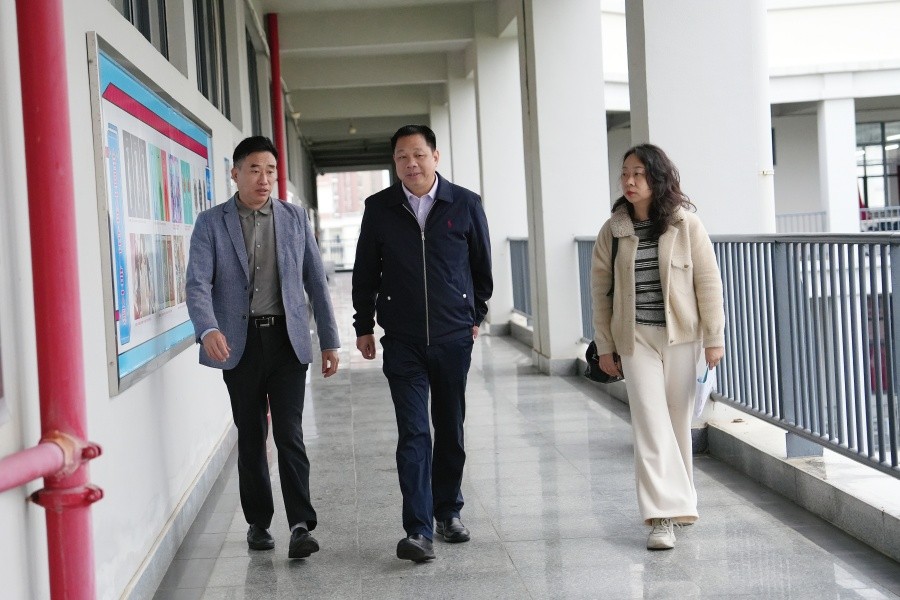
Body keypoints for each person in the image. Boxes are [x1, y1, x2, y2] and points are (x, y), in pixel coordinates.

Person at [185, 136, 340, 559]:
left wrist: (329, 340)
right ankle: (258, 522)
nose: (264, 178)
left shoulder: (293, 218)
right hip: (240, 344)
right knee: (252, 434)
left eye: (270, 170)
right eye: (254, 169)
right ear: (235, 174)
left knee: (290, 433)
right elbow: (197, 284)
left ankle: (301, 525)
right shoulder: (211, 223)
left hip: (287, 341)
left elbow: (315, 281)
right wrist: (207, 328)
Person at [352, 124, 493, 563]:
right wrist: (363, 325)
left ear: (435, 156)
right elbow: (365, 272)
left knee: (450, 427)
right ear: (394, 163)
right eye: (401, 157)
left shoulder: (465, 204)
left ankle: (447, 511)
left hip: (453, 338)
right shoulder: (379, 208)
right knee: (413, 432)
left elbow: (481, 268)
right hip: (403, 341)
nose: (410, 163)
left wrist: (474, 315)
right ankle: (417, 529)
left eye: (417, 154)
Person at [590, 144, 725, 550]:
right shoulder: (613, 230)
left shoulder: (686, 225)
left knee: (677, 421)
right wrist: (605, 346)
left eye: (639, 173)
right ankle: (660, 516)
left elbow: (708, 281)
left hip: (682, 336)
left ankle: (681, 503)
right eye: (625, 173)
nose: (629, 181)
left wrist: (714, 338)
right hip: (635, 339)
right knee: (650, 424)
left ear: (657, 178)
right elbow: (600, 293)